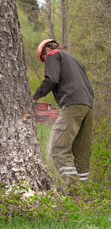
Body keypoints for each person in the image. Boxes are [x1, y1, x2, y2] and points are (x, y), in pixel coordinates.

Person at [33, 39, 94, 192]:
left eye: (43, 58)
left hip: (72, 105)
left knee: (58, 148)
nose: (45, 61)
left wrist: (34, 97)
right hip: (88, 106)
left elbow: (52, 79)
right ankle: (85, 192)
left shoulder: (53, 55)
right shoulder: (75, 60)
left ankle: (74, 190)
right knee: (82, 153)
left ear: (46, 50)